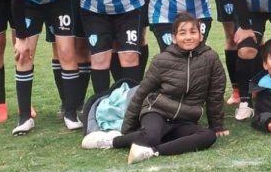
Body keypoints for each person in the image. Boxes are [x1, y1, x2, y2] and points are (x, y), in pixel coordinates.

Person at [84, 13, 228, 163]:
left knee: (208, 136)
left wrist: (216, 127)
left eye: (193, 32)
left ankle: (152, 151)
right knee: (151, 137)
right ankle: (111, 141)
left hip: (185, 118)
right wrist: (127, 130)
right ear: (174, 38)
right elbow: (142, 92)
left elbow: (215, 95)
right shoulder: (162, 60)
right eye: (182, 33)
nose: (188, 37)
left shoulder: (211, 58)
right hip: (157, 111)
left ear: (200, 36)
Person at [10, 0, 86, 135]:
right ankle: (24, 118)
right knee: (24, 55)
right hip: (30, 5)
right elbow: (16, 1)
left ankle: (70, 114)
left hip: (61, 1)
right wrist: (21, 38)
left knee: (66, 53)